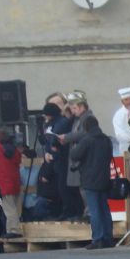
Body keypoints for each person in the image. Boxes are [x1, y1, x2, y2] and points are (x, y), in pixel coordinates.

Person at [69, 115, 114, 249]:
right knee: (105, 209)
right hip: (105, 178)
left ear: (86, 127)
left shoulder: (87, 140)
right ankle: (108, 237)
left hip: (90, 179)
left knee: (94, 210)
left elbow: (75, 155)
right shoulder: (106, 140)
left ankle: (97, 238)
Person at [58, 91, 93, 219]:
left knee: (85, 188)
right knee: (81, 188)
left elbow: (84, 133)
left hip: (84, 159)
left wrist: (67, 137)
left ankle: (89, 211)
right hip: (79, 158)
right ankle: (87, 211)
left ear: (82, 106)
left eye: (74, 108)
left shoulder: (88, 118)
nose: (72, 111)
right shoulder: (78, 119)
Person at [0, 127, 24, 237]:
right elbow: (18, 161)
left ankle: (13, 230)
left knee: (9, 209)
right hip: (15, 182)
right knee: (15, 207)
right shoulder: (15, 150)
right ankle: (17, 228)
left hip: (3, 184)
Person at [113, 87, 130, 154]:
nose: (129, 102)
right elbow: (119, 134)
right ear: (122, 101)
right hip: (126, 148)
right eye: (126, 99)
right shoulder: (118, 115)